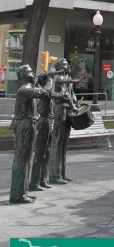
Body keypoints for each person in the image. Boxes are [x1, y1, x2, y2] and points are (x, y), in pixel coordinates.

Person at [10, 65, 64, 204]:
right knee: (22, 159)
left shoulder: (28, 88)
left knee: (26, 158)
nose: (33, 74)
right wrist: (50, 78)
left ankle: (22, 191)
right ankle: (17, 194)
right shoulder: (25, 89)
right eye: (30, 72)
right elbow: (45, 93)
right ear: (23, 75)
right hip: (25, 125)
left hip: (29, 124)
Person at [49, 59, 77, 185]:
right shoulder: (60, 78)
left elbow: (72, 93)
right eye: (65, 65)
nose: (67, 66)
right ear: (59, 67)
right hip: (61, 109)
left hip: (67, 110)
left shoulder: (68, 78)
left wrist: (75, 102)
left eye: (67, 64)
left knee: (64, 143)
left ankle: (62, 173)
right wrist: (73, 105)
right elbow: (65, 95)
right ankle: (55, 174)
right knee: (58, 141)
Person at [29, 72, 55, 191]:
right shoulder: (41, 91)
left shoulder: (47, 91)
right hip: (43, 121)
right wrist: (50, 78)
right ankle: (34, 182)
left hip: (49, 121)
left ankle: (42, 180)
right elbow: (47, 91)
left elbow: (54, 94)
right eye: (48, 80)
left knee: (47, 152)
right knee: (40, 152)